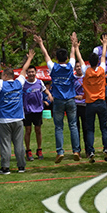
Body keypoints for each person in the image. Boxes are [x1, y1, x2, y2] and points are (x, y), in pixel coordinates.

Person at [35, 33, 81, 164]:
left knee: (59, 127)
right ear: (66, 58)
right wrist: (73, 43)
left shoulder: (53, 67)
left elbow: (46, 55)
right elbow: (73, 55)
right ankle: (76, 151)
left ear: (56, 58)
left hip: (58, 100)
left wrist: (41, 43)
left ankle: (60, 152)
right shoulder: (70, 66)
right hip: (71, 100)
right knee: (73, 125)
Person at [76, 37, 107, 163]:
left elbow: (80, 59)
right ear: (97, 61)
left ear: (89, 62)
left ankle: (91, 151)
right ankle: (106, 149)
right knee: (104, 127)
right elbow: (103, 57)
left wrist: (76, 47)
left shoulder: (86, 71)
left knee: (90, 129)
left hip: (90, 103)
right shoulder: (102, 70)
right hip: (101, 102)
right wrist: (104, 44)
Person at [23, 65, 53, 161]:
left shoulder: (39, 82)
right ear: (27, 73)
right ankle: (28, 150)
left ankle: (39, 149)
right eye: (29, 72)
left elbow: (45, 90)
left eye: (33, 72)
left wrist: (49, 94)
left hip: (38, 110)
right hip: (27, 111)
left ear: (36, 73)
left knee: (38, 130)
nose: (31, 74)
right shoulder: (23, 84)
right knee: (28, 130)